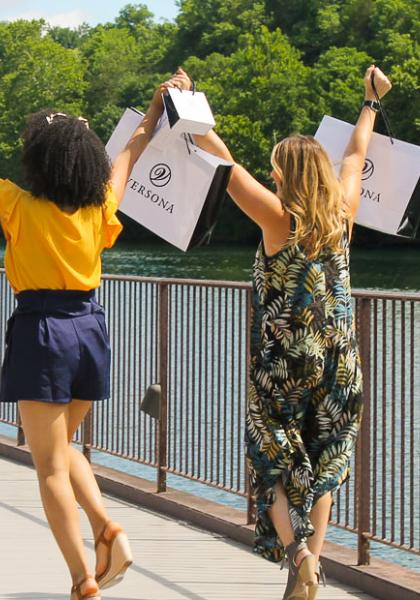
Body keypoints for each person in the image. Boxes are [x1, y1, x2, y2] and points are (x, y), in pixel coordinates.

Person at [0, 73, 187, 600]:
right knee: (62, 448)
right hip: (90, 328)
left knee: (49, 467)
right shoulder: (101, 203)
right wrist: (154, 106)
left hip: (42, 330)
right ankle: (108, 532)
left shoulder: (18, 204)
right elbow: (133, 147)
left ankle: (84, 577)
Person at [189, 65, 391, 600]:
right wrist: (370, 102)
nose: (272, 174)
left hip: (284, 360)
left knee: (271, 458)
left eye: (276, 168)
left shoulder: (279, 218)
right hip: (341, 360)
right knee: (324, 461)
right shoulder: (342, 213)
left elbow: (224, 162)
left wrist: (188, 106)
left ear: (287, 175)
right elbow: (355, 156)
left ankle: (299, 557)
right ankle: (312, 570)